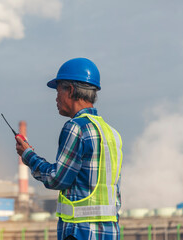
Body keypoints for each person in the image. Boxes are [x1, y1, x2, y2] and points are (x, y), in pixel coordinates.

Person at [15, 58, 123, 240]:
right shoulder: (112, 134)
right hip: (110, 233)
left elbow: (57, 179)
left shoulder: (75, 127)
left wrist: (29, 156)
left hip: (80, 232)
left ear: (71, 90)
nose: (56, 98)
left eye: (58, 91)